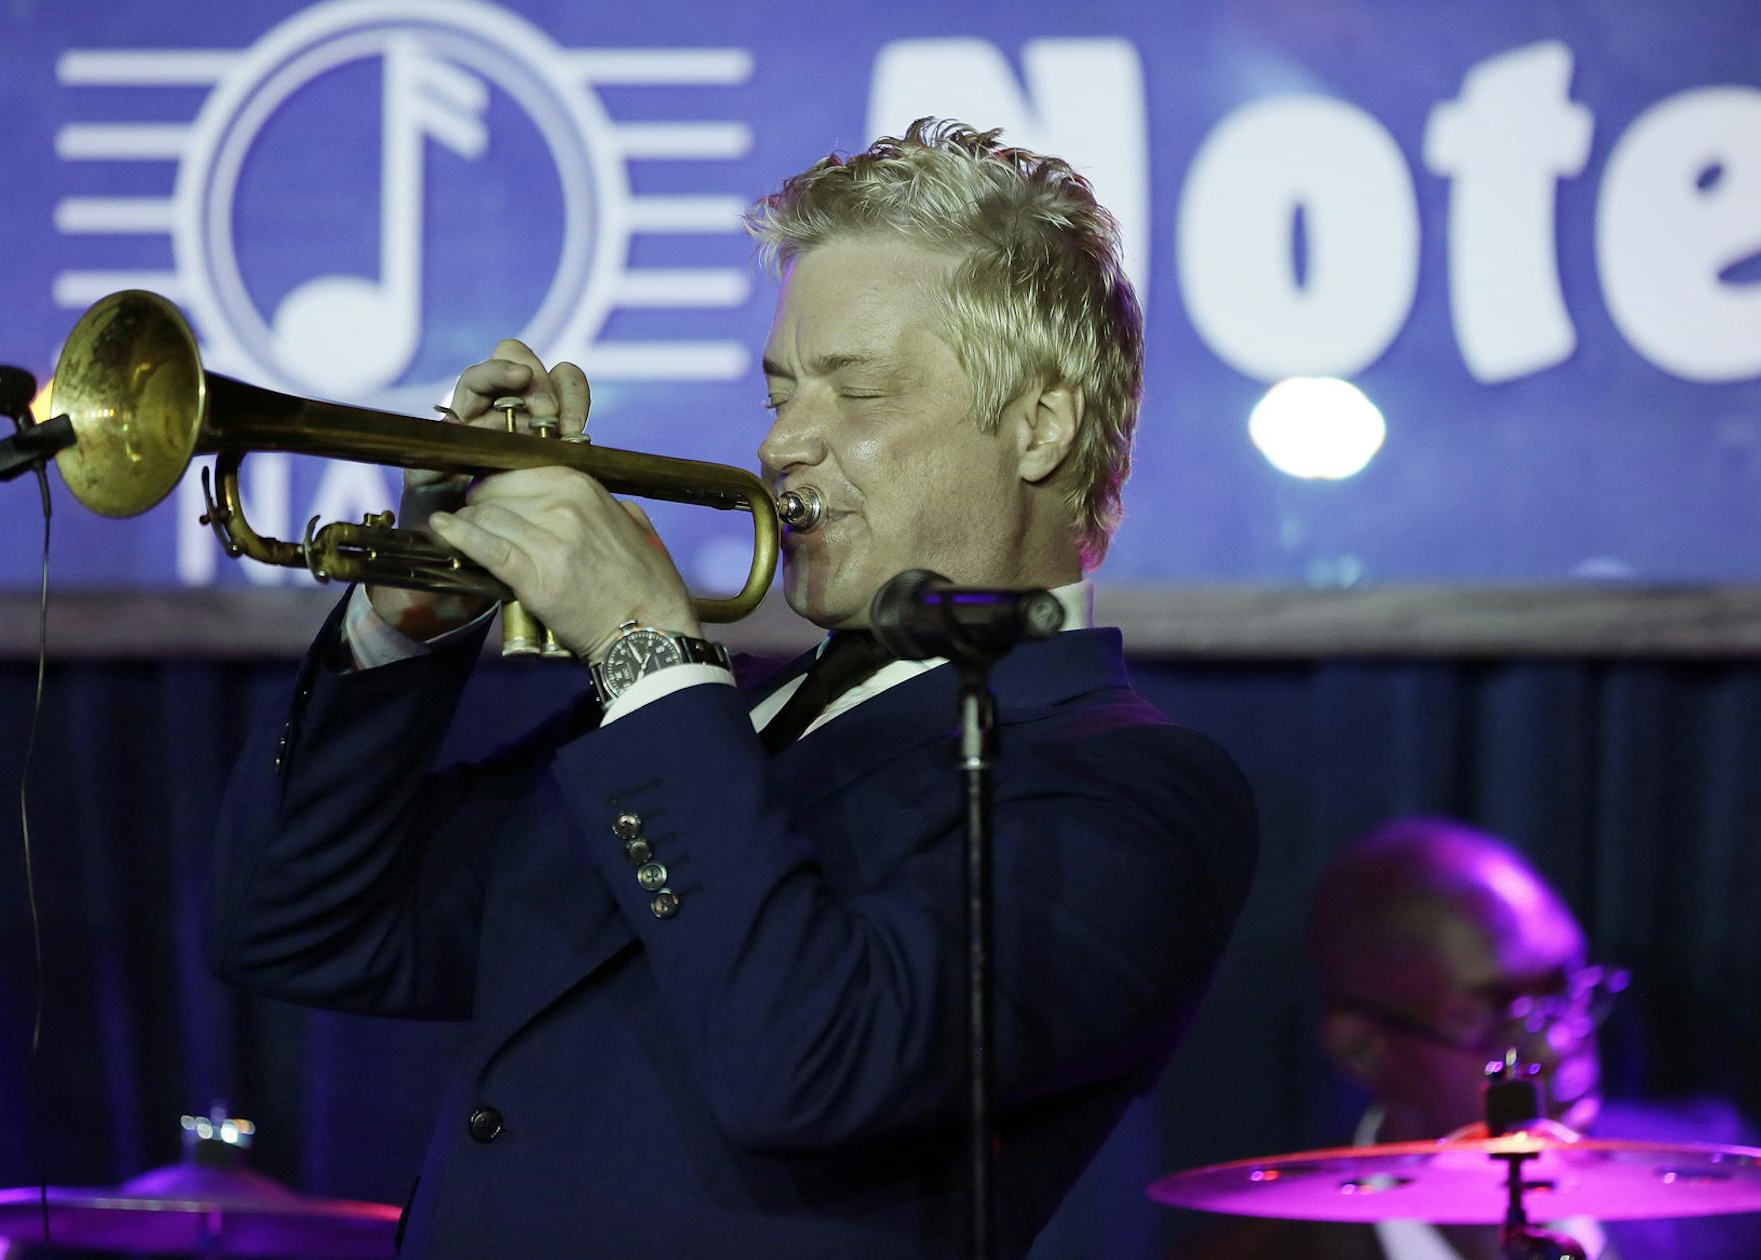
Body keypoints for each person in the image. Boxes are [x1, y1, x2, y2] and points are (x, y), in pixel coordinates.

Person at [206, 118, 1256, 1258]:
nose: (783, 446)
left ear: (1040, 425)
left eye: (856, 395)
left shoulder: (1133, 789)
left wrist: (648, 650)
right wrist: (408, 618)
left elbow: (818, 1067)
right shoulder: (712, 720)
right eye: (780, 394)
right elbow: (297, 925)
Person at [1178, 818, 1761, 1260]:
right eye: (1487, 1015)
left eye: (1566, 989)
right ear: (1363, 1048)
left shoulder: (1727, 1190)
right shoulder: (1252, 1253)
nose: (1555, 1043)